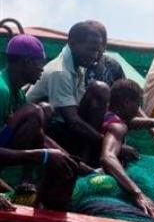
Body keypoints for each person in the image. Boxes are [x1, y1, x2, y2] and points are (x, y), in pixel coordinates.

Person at [26, 21, 138, 163]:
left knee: (100, 90)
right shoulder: (60, 71)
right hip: (44, 132)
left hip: (64, 127)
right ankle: (86, 161)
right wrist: (111, 144)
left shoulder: (80, 65)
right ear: (72, 43)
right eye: (91, 49)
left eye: (98, 51)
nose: (95, 56)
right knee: (100, 90)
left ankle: (87, 158)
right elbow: (72, 121)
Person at [0, 34, 80, 211]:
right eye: (40, 62)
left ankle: (26, 186)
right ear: (27, 62)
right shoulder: (1, 91)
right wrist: (41, 156)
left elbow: (40, 137)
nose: (42, 69)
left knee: (42, 110)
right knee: (35, 111)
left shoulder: (17, 93)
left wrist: (68, 159)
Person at [100, 79, 154, 218]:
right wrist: (138, 193)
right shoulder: (117, 126)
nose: (138, 109)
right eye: (138, 104)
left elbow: (131, 122)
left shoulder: (108, 115)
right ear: (127, 103)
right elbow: (107, 157)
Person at [85, 20, 125, 87]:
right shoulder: (75, 64)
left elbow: (123, 92)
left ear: (104, 46)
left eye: (95, 49)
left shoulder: (113, 66)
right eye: (89, 48)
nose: (92, 55)